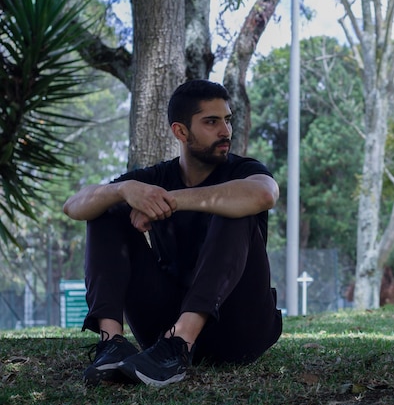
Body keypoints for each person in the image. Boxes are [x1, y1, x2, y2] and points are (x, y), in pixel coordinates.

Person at [63, 79, 283, 387]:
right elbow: (73, 205)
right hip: (161, 331)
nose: (226, 131)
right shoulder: (154, 178)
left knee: (235, 206)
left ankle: (181, 343)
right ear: (180, 132)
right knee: (106, 206)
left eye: (227, 120)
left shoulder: (243, 171)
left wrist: (172, 201)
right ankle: (111, 343)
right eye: (211, 121)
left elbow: (265, 195)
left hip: (240, 329)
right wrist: (124, 190)